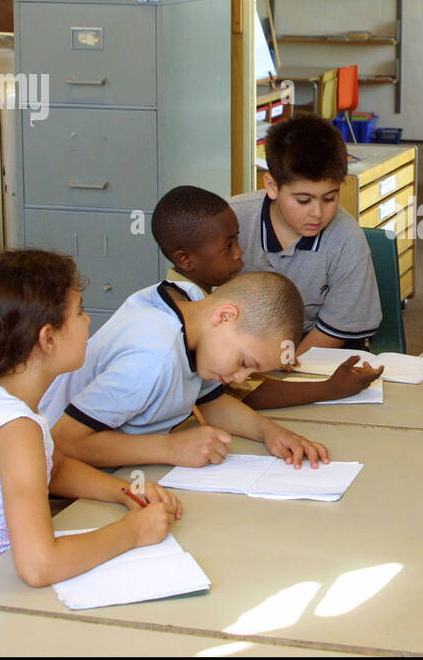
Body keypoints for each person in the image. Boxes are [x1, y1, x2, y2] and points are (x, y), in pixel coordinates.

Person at [0, 250, 182, 617]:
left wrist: (124, 492)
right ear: (48, 338)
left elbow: (53, 466)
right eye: (80, 311)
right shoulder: (15, 428)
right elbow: (40, 566)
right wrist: (133, 532)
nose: (88, 322)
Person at [42, 271, 330, 469]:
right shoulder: (152, 359)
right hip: (59, 480)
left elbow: (209, 400)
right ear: (225, 316)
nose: (240, 379)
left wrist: (268, 431)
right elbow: (64, 443)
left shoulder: (191, 302)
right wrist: (169, 448)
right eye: (244, 363)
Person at [151, 185, 381, 408]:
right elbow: (240, 394)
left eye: (237, 240)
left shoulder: (187, 295)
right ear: (185, 260)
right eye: (228, 247)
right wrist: (330, 389)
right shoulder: (173, 331)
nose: (239, 253)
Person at [230, 116, 382, 355]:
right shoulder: (231, 221)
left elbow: (337, 329)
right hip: (238, 345)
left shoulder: (347, 239)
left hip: (313, 350)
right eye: (303, 200)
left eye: (330, 198)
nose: (318, 213)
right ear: (271, 186)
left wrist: (285, 370)